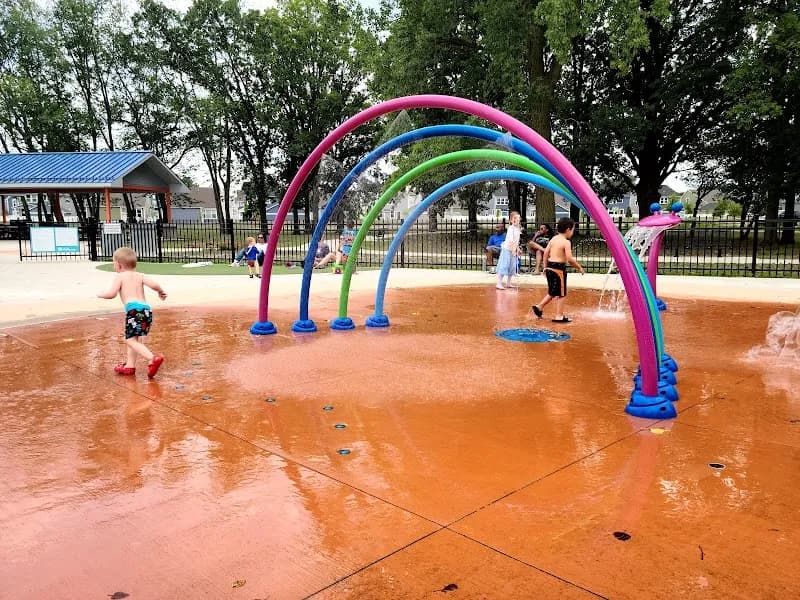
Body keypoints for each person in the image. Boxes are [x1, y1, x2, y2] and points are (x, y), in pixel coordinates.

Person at [96, 246, 167, 378]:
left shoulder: (120, 277)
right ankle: (130, 366)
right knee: (134, 338)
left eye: (113, 263)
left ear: (119, 265)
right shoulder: (140, 275)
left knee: (129, 340)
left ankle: (152, 358)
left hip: (134, 311)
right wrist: (160, 292)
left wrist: (101, 294)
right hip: (146, 311)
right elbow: (154, 284)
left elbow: (111, 294)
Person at [531, 217, 584, 323]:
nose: (572, 232)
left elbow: (545, 253)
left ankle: (539, 306)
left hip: (550, 267)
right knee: (562, 294)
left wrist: (545, 267)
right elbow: (569, 258)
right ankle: (559, 316)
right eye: (573, 230)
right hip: (559, 269)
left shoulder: (553, 239)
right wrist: (579, 267)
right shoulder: (566, 242)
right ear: (568, 229)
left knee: (552, 292)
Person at [495, 211, 522, 290]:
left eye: (518, 218)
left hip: (513, 249)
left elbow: (516, 241)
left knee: (512, 265)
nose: (516, 220)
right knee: (505, 264)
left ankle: (508, 282)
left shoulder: (518, 229)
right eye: (514, 218)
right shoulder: (511, 228)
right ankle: (499, 283)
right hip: (507, 249)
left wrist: (517, 249)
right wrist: (513, 250)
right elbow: (510, 240)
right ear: (510, 220)